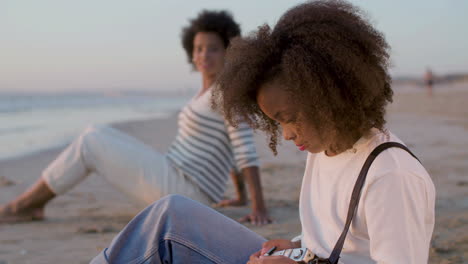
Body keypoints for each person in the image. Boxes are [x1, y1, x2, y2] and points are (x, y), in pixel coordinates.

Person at [89, 1, 436, 263]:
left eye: (290, 117)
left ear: (330, 94)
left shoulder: (391, 177)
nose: (286, 134)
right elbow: (338, 240)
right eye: (276, 121)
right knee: (172, 215)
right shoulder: (326, 146)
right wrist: (298, 244)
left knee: (165, 231)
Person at [0, 10, 271, 225]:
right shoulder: (206, 93)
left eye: (213, 48)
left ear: (228, 51)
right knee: (96, 132)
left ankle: (25, 206)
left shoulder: (225, 94)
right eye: (198, 48)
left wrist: (258, 207)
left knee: (91, 142)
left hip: (185, 191)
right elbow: (228, 148)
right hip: (178, 180)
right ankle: (29, 204)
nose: (203, 55)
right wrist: (240, 197)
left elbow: (244, 149)